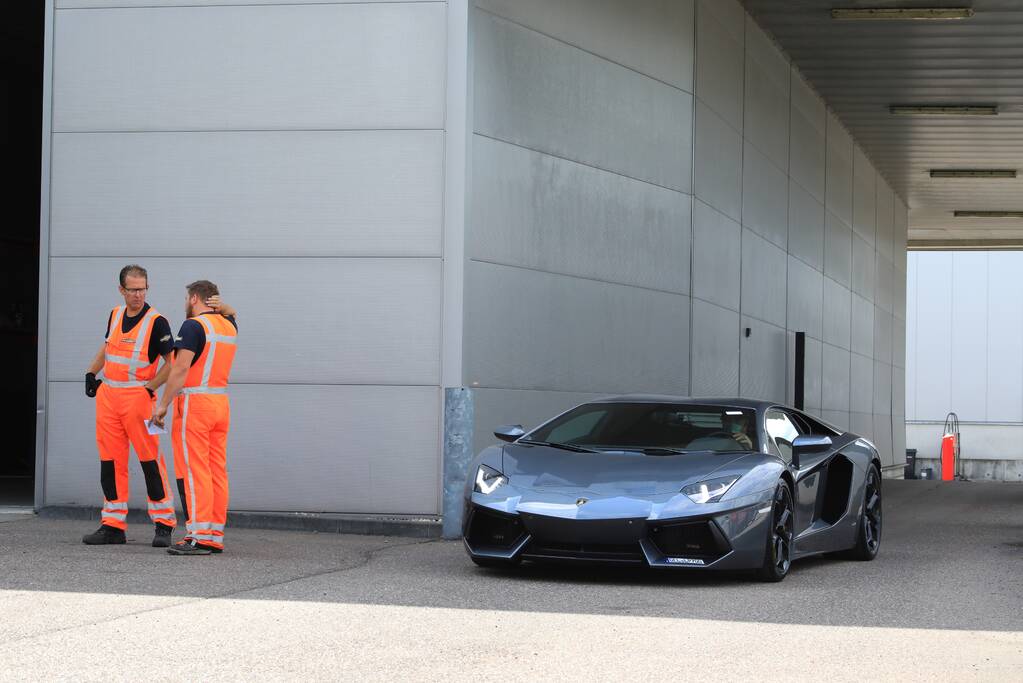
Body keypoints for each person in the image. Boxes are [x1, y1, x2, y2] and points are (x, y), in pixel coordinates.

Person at [82, 265, 178, 547]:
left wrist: (149, 388)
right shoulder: (114, 314)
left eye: (143, 288)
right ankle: (113, 525)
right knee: (110, 462)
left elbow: (171, 365)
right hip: (109, 397)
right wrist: (91, 372)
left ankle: (164, 524)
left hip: (138, 398)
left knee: (150, 461)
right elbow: (108, 347)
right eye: (133, 289)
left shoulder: (156, 321)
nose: (138, 294)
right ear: (121, 289)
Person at [151, 280, 238, 556]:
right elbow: (233, 314)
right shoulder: (228, 325)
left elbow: (180, 368)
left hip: (195, 404)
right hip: (220, 402)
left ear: (194, 299)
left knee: (193, 469)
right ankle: (213, 533)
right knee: (216, 470)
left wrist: (163, 404)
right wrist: (225, 308)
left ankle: (198, 536)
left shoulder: (192, 326)